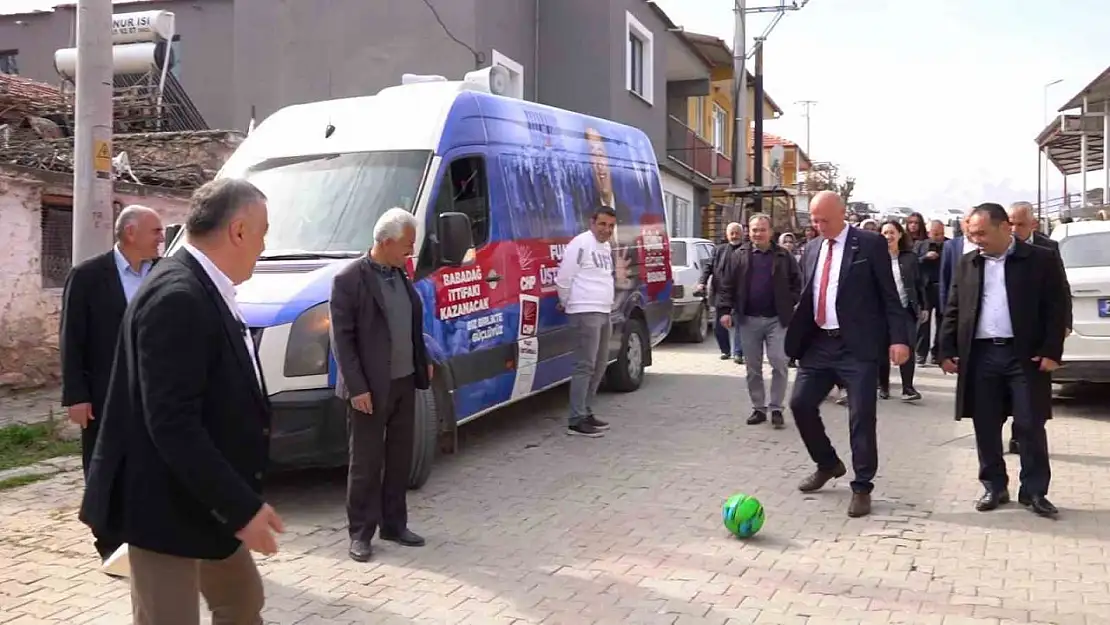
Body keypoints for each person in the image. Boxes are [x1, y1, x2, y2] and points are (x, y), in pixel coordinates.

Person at [79, 179, 284, 624]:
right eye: (263, 232)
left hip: (203, 501)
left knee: (242, 602)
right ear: (239, 230)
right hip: (162, 508)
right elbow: (172, 423)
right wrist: (241, 507)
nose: (264, 246)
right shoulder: (178, 297)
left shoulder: (205, 287)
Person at [784, 191, 911, 518]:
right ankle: (827, 463)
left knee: (861, 417)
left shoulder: (869, 245)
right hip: (819, 344)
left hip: (857, 348)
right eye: (814, 219)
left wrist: (899, 339)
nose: (818, 225)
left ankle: (862, 486)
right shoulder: (811, 248)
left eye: (824, 219)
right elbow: (808, 294)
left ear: (842, 214)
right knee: (799, 403)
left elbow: (889, 297)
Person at [938, 202, 1068, 517]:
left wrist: (1052, 350)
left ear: (1004, 227)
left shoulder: (1040, 259)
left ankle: (1034, 491)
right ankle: (994, 486)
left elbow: (1058, 306)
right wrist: (944, 349)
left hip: (1025, 355)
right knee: (985, 424)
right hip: (981, 355)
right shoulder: (968, 263)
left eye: (982, 233)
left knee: (1029, 423)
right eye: (971, 234)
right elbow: (954, 306)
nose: (977, 239)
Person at [60, 205, 163, 562]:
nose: (162, 238)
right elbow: (72, 339)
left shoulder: (163, 274)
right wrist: (76, 395)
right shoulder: (88, 275)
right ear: (131, 232)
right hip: (103, 394)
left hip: (153, 393)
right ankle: (108, 541)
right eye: (156, 231)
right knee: (105, 466)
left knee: (148, 465)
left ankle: (146, 535)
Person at [330, 208, 432, 563]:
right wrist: (357, 388)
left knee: (399, 458)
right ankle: (360, 533)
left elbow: (409, 324)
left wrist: (423, 362)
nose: (411, 250)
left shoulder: (400, 273)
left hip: (404, 382)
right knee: (366, 463)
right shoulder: (349, 279)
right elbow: (342, 342)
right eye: (407, 244)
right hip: (369, 390)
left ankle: (394, 524)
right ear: (386, 242)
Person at [717, 214, 802, 429]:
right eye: (754, 229)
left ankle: (776, 408)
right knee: (753, 367)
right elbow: (727, 285)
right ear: (749, 231)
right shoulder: (739, 255)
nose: (758, 233)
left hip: (777, 319)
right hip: (748, 320)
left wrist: (789, 301)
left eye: (762, 229)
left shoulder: (784, 256)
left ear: (771, 232)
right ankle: (758, 408)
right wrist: (725, 310)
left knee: (779, 362)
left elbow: (797, 282)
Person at [1005, 201, 1073, 454]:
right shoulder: (1002, 249)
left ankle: (1026, 435)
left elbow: (1060, 290)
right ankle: (1017, 433)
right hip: (1010, 332)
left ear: (1033, 224)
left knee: (1034, 393)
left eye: (1020, 224)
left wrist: (1065, 323)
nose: (1013, 229)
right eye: (1009, 223)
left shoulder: (1048, 248)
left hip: (1039, 332)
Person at [555, 206, 617, 437]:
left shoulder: (606, 246)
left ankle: (586, 410)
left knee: (600, 365)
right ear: (592, 222)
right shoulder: (580, 243)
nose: (606, 230)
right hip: (584, 310)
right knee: (585, 365)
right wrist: (566, 301)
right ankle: (576, 419)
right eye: (602, 224)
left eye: (611, 226)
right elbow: (564, 277)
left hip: (603, 310)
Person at [878, 219, 927, 401]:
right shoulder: (875, 258)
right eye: (884, 233)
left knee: (908, 346)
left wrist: (924, 306)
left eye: (892, 232)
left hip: (905, 309)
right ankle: (883, 386)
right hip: (881, 311)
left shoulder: (909, 258)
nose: (888, 236)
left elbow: (919, 284)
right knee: (882, 348)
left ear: (899, 234)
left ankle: (908, 388)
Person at [696, 222, 744, 362]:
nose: (735, 236)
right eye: (732, 233)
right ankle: (725, 350)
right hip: (720, 293)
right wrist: (702, 282)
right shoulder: (719, 250)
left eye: (737, 233)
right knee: (718, 326)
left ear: (742, 234)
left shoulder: (747, 250)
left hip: (740, 294)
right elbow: (708, 267)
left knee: (740, 324)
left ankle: (738, 353)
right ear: (727, 235)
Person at [913, 220, 947, 365]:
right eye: (935, 234)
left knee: (943, 322)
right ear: (929, 233)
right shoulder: (920, 245)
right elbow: (912, 263)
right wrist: (924, 257)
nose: (939, 237)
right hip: (925, 288)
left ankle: (937, 353)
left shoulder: (949, 245)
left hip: (942, 287)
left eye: (941, 234)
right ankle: (921, 353)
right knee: (923, 322)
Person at [938, 207, 978, 315]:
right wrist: (944, 309)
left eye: (974, 222)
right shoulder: (951, 246)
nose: (970, 225)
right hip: (957, 305)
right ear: (962, 223)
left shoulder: (986, 245)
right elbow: (945, 279)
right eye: (967, 221)